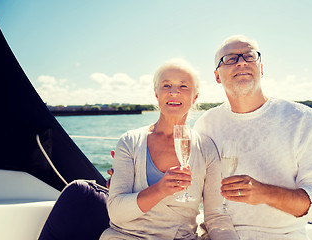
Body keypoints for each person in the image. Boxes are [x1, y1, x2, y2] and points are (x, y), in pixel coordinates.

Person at [193, 35, 312, 239]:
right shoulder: (206, 124)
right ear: (217, 76)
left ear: (261, 68)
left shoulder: (300, 119)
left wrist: (265, 193)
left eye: (249, 56)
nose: (242, 62)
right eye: (230, 59)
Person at [100, 59, 238, 239]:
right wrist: (160, 189)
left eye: (183, 86)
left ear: (194, 97)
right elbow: (117, 213)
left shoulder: (205, 148)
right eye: (166, 85)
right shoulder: (130, 141)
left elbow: (216, 216)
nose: (174, 92)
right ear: (156, 94)